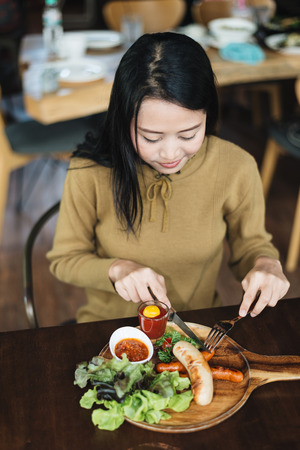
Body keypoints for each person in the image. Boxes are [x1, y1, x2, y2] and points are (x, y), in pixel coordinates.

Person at [47, 32, 289, 323]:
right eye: (151, 137)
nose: (170, 153)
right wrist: (117, 269)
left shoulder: (235, 165)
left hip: (195, 327)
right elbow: (64, 259)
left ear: (207, 116)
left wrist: (266, 264)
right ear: (125, 121)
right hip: (110, 328)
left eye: (189, 134)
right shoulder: (89, 170)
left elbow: (251, 245)